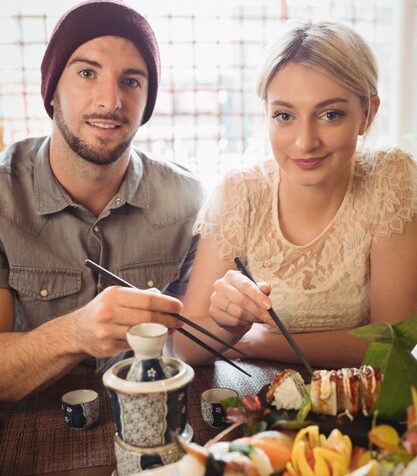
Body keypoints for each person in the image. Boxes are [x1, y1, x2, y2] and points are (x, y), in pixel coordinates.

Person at [174, 20, 417, 369]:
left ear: (368, 114)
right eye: (284, 115)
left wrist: (253, 341)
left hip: (364, 409)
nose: (305, 141)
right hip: (259, 406)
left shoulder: (390, 179)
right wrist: (228, 326)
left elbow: (394, 344)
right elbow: (185, 347)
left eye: (330, 114)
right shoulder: (240, 192)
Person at [0, 0, 202, 401]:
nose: (110, 101)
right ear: (52, 90)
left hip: (153, 419)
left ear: (147, 102)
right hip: (34, 431)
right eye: (88, 73)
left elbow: (193, 347)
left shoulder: (188, 200)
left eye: (131, 81)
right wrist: (76, 332)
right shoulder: (3, 198)